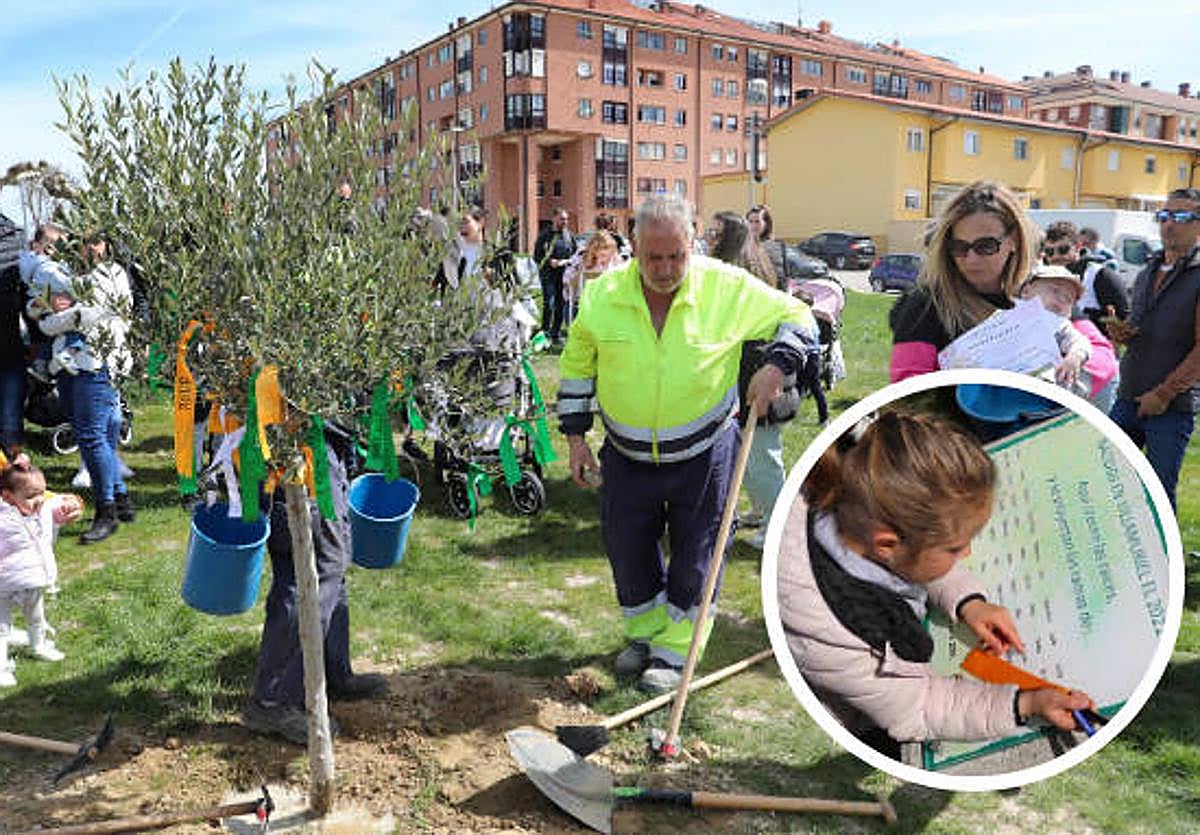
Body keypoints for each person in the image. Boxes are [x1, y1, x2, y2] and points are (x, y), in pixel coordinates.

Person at [558, 195, 817, 693]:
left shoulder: (726, 287)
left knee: (699, 551)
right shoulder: (603, 294)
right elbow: (576, 364)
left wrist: (776, 365)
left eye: (676, 255)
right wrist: (575, 438)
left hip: (705, 452)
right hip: (626, 453)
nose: (664, 268)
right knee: (627, 546)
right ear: (633, 246)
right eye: (653, 256)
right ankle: (645, 634)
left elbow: (800, 317)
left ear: (692, 244)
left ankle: (677, 649)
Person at [777, 411, 1095, 759]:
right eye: (956, 548)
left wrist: (968, 601)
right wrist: (1025, 703)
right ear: (886, 544)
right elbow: (919, 708)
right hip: (863, 722)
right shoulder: (831, 637)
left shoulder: (865, 514)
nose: (969, 553)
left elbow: (917, 558)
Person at [243, 426, 389, 745]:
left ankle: (331, 672)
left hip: (318, 448)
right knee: (307, 574)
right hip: (297, 453)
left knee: (332, 563)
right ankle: (273, 699)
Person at [26, 231, 134, 544]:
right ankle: (120, 496)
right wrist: (53, 314)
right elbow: (38, 311)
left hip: (95, 365)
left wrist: (60, 314)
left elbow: (87, 317)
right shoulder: (66, 273)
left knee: (92, 436)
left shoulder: (112, 275)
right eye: (84, 242)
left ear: (107, 245)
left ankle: (106, 512)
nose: (89, 248)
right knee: (95, 435)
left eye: (96, 241)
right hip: (67, 365)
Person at [705, 212, 801, 549]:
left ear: (729, 237)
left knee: (761, 457)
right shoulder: (743, 264)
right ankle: (763, 511)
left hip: (759, 372)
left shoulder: (738, 272)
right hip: (748, 369)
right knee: (749, 455)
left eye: (714, 233)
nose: (708, 238)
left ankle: (779, 525)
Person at [1106, 188, 1200, 510]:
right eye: (1164, 215)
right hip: (1128, 395)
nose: (1169, 224)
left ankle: (1164, 560)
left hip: (1171, 407)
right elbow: (1142, 328)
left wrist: (1164, 394)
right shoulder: (1148, 269)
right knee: (1111, 480)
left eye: (1182, 216)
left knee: (1158, 495)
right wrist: (1125, 333)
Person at [889, 181, 1035, 381]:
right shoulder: (925, 305)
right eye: (960, 247)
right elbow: (907, 391)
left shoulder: (1047, 292)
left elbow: (1092, 359)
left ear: (1015, 240)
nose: (971, 259)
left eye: (986, 245)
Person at [0, 459, 83, 686]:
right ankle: (1, 667)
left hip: (34, 578)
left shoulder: (42, 508)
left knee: (36, 617)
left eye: (41, 493)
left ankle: (38, 646)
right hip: (4, 583)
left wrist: (72, 505)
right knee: (1, 627)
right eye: (30, 495)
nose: (37, 500)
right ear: (7, 497)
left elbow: (59, 505)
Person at [1018, 264, 1117, 408]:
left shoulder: (1059, 325)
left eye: (1069, 299)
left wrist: (1074, 357)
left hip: (1041, 389)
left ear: (1071, 312)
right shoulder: (1006, 316)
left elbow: (1079, 342)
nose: (1062, 299)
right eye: (1055, 290)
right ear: (1026, 291)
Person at [1042, 220, 1129, 339]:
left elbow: (1125, 323)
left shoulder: (1100, 276)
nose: (1056, 257)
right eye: (1049, 252)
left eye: (1063, 250)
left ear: (1078, 247)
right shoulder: (1041, 280)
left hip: (1095, 350)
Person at [0, 213, 24, 458]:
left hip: (8, 345)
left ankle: (15, 484)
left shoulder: (15, 236)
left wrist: (37, 337)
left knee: (10, 424)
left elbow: (27, 291)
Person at [533, 208, 575, 343]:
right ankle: (544, 333)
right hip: (548, 275)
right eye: (562, 219)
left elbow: (575, 255)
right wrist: (549, 261)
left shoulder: (568, 236)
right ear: (554, 218)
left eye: (566, 219)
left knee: (560, 304)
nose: (565, 222)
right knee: (549, 303)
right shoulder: (544, 236)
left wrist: (568, 263)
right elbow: (537, 256)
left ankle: (555, 333)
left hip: (563, 276)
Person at [746, 204, 787, 289]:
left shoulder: (775, 246)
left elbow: (781, 275)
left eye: (757, 222)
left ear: (766, 223)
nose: (753, 226)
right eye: (750, 221)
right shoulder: (744, 245)